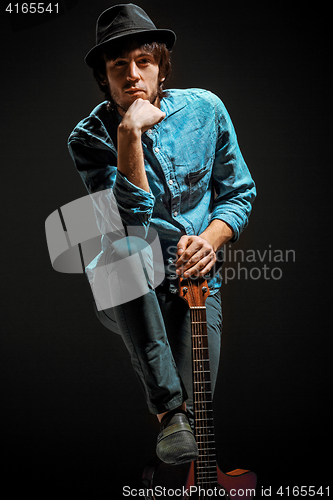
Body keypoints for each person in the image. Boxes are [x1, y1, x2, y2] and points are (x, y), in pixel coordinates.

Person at [68, 3, 256, 466]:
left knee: (199, 417)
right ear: (104, 78)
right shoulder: (90, 138)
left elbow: (238, 193)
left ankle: (182, 422)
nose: (132, 74)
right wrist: (129, 133)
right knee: (115, 251)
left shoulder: (206, 109)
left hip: (194, 279)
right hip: (130, 277)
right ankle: (168, 410)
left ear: (160, 68)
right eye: (119, 66)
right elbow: (127, 224)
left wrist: (209, 240)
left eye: (143, 62)